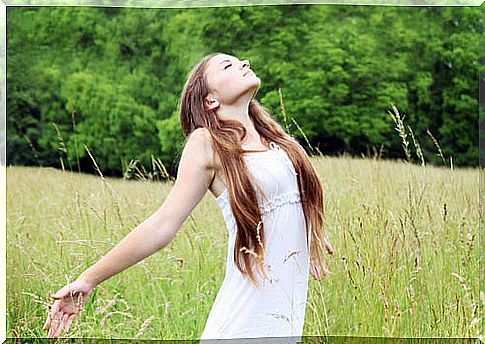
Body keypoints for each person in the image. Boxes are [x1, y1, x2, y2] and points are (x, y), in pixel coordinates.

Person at [43, 52, 335, 340]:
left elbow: (290, 199)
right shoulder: (207, 143)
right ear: (211, 99)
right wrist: (89, 279)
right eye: (228, 65)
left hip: (283, 322)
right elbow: (162, 225)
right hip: (243, 323)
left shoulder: (275, 141)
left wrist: (309, 231)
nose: (244, 63)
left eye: (241, 61)